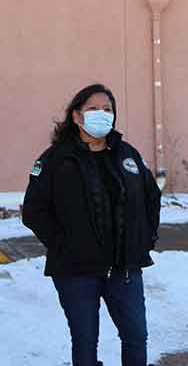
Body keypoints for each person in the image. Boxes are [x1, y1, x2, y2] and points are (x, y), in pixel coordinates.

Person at [22, 84, 162, 366]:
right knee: (85, 343)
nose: (102, 115)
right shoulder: (56, 159)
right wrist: (64, 244)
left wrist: (144, 239)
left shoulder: (127, 155)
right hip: (75, 272)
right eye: (93, 109)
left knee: (136, 337)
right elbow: (35, 210)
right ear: (76, 116)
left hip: (124, 269)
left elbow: (151, 198)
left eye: (108, 109)